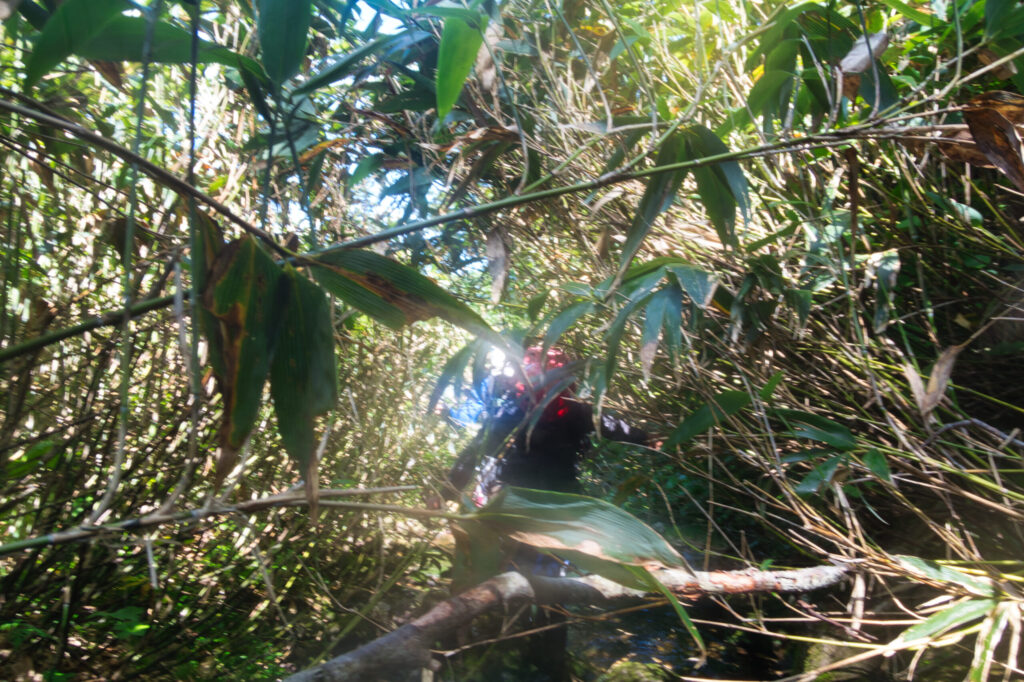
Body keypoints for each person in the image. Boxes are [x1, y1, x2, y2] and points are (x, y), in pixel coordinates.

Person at [434, 345, 652, 680]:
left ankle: (455, 644)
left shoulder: (512, 408)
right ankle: (548, 661)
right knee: (551, 583)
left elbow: (478, 450)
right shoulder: (577, 411)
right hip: (557, 511)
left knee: (479, 570)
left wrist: (447, 490)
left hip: (505, 506)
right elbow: (615, 427)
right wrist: (650, 439)